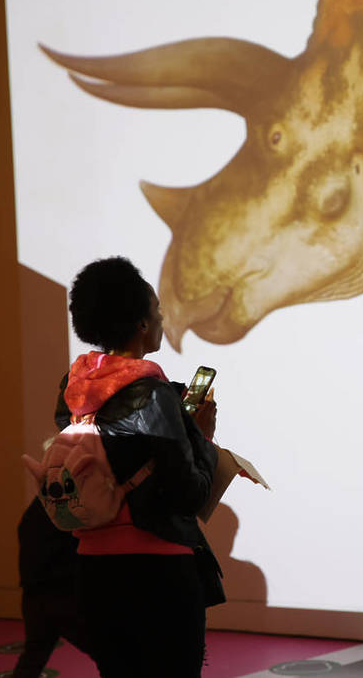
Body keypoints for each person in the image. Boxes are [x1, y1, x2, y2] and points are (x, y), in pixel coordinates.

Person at [55, 256, 224, 676]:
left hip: (92, 569)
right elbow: (189, 494)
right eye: (158, 310)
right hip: (159, 573)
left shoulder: (72, 390)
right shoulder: (151, 393)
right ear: (141, 324)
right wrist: (201, 436)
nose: (163, 317)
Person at [12, 493, 87, 678]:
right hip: (64, 594)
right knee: (109, 654)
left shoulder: (37, 509)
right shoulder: (73, 509)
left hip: (33, 595)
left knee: (32, 659)